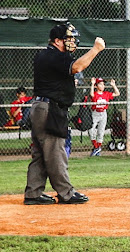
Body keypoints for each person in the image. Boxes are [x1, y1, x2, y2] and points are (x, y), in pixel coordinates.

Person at [24, 23, 105, 205]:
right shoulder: (54, 55)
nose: (72, 42)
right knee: (56, 151)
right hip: (50, 109)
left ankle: (33, 193)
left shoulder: (46, 55)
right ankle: (66, 193)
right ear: (57, 40)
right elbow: (77, 67)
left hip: (41, 106)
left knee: (40, 154)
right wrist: (95, 50)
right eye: (68, 38)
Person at [89, 77, 120, 156]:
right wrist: (92, 84)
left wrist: (113, 85)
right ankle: (96, 147)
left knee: (101, 132)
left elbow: (117, 93)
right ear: (96, 86)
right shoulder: (95, 94)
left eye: (103, 84)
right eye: (100, 84)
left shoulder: (106, 94)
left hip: (103, 113)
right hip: (95, 113)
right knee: (91, 130)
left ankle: (97, 149)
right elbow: (91, 94)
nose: (103, 86)